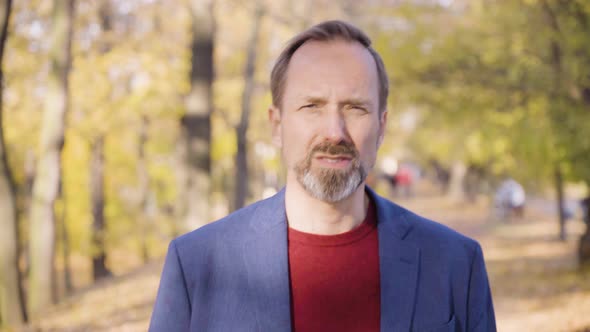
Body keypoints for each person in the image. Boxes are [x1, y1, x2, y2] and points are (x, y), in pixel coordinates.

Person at [149, 20, 496, 332]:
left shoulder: (454, 264)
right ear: (277, 125)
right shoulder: (197, 265)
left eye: (355, 108)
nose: (334, 132)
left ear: (382, 126)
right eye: (311, 106)